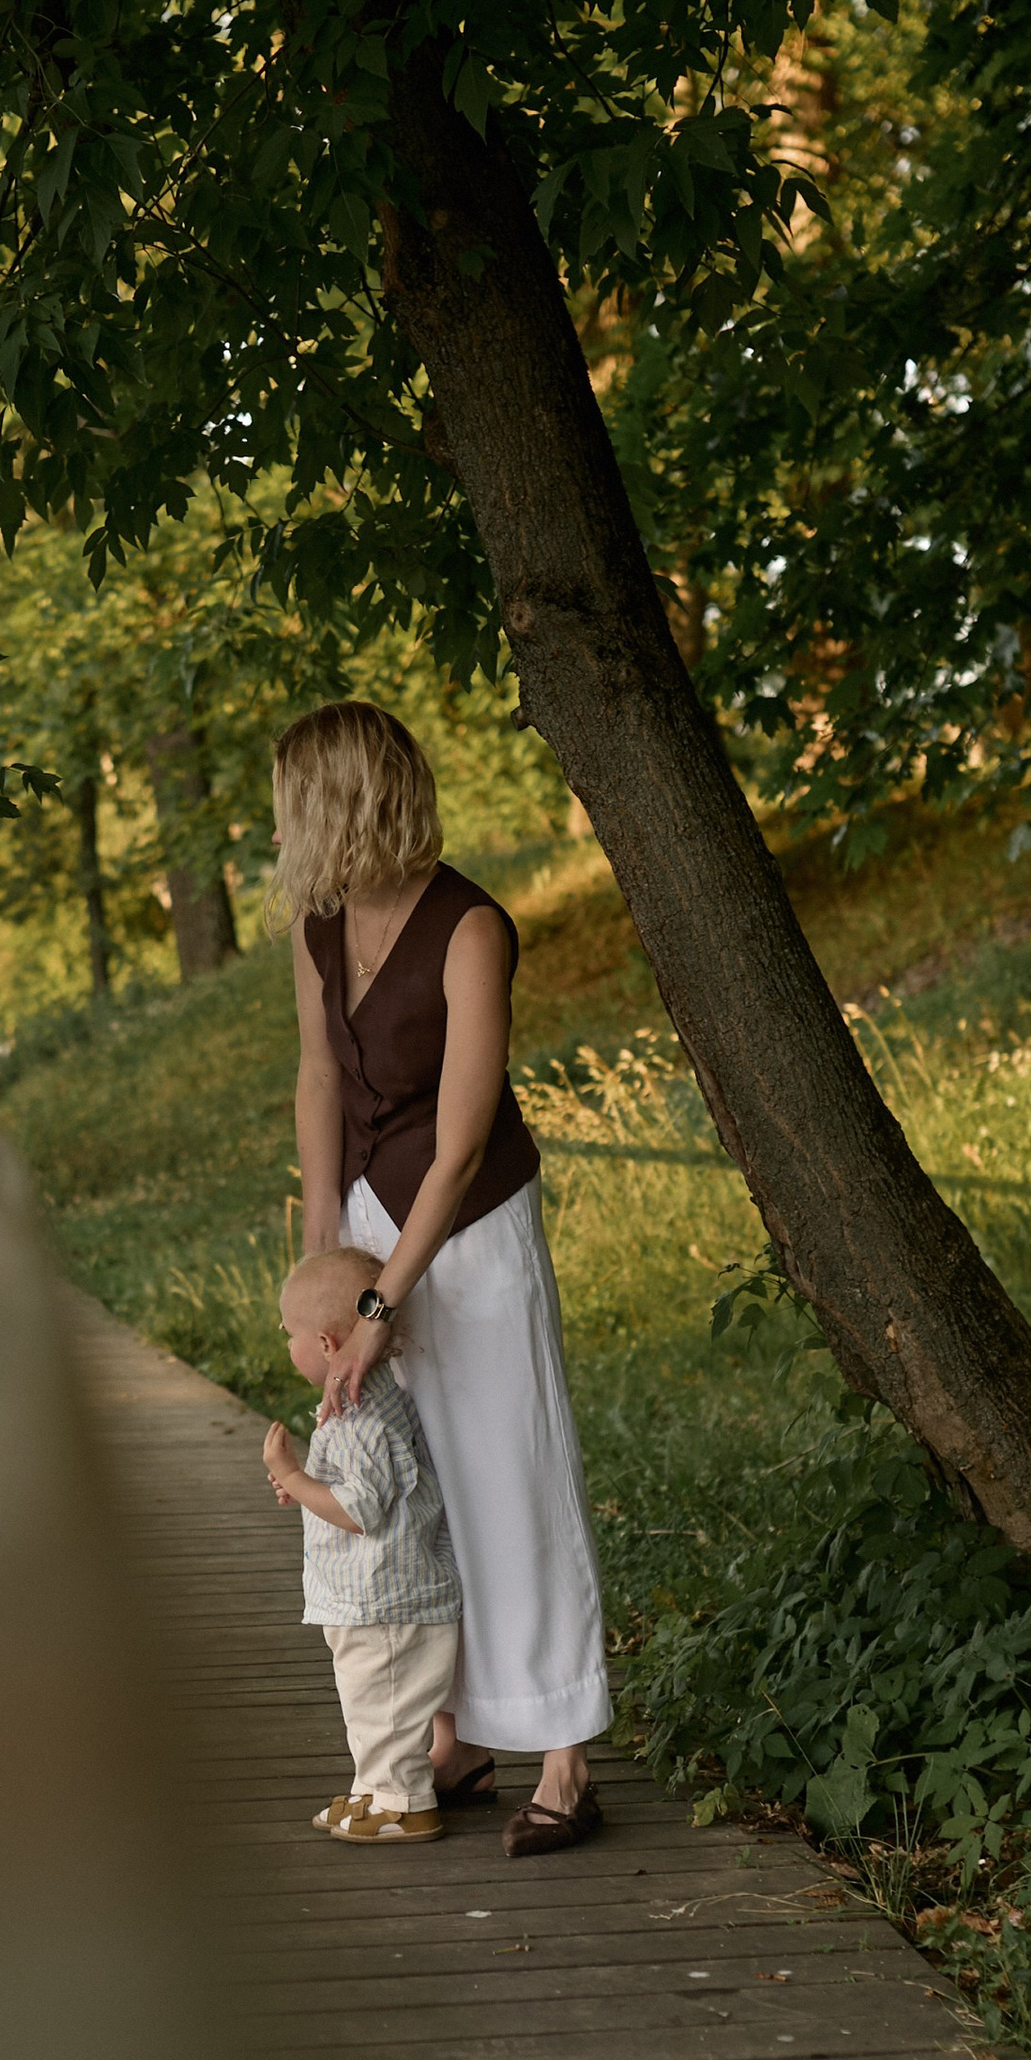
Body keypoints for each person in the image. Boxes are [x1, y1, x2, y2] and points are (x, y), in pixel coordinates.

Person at [274, 698, 611, 1858]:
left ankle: (566, 1751)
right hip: (367, 1214)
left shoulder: (470, 928)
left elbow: (463, 1137)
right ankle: (457, 1732)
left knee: (510, 1469)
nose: (281, 831)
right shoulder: (319, 925)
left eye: (292, 805)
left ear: (341, 801)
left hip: (467, 1227)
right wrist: (326, 1252)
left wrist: (382, 1302)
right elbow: (321, 1079)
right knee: (413, 1490)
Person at [262, 1247, 462, 1846]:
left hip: (389, 1603)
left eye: (289, 1335)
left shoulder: (364, 1423)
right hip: (368, 1599)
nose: (286, 1344)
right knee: (369, 1704)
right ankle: (375, 1789)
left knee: (389, 1707)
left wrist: (297, 1479)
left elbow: (357, 1511)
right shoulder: (361, 1404)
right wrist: (307, 1491)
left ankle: (406, 1803)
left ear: (326, 1345)